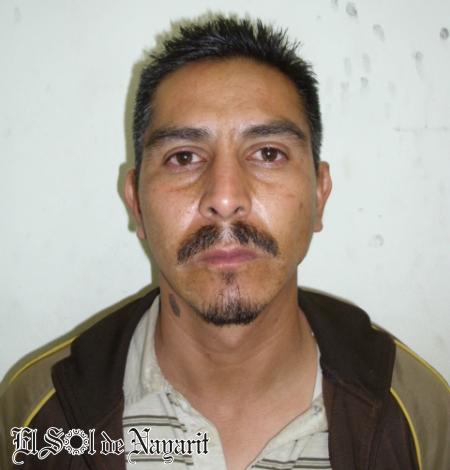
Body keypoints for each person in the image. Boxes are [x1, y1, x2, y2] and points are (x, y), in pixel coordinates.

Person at [0, 16, 448, 470]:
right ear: (136, 203)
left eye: (268, 153)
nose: (226, 197)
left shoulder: (421, 416)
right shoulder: (39, 420)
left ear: (319, 195)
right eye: (184, 157)